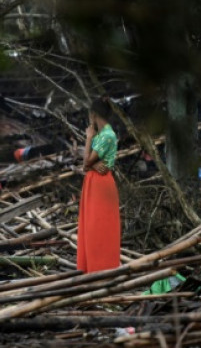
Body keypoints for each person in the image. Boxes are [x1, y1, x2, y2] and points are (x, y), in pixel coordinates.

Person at [77, 99, 121, 273]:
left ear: (94, 115)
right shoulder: (102, 135)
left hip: (101, 184)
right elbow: (88, 164)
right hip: (94, 181)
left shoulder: (106, 135)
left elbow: (85, 162)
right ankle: (90, 268)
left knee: (100, 227)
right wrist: (92, 165)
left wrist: (88, 138)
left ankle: (101, 268)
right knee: (90, 226)